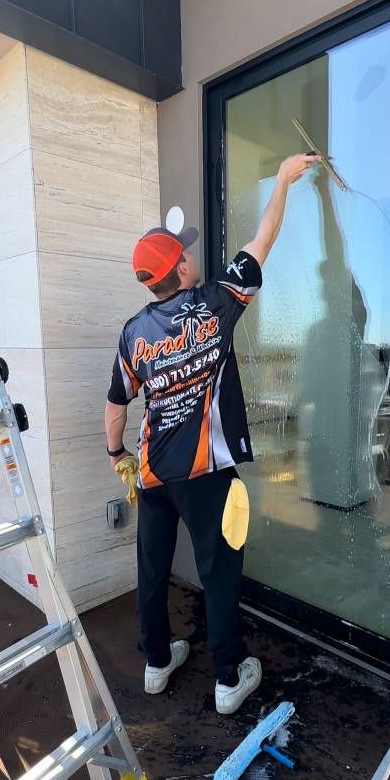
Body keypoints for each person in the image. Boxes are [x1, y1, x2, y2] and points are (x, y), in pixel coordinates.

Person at [105, 153, 314, 715]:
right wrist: (285, 181)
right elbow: (263, 240)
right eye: (185, 253)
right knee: (218, 572)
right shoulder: (215, 305)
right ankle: (228, 679)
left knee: (150, 571)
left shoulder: (133, 333)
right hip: (207, 475)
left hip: (151, 475)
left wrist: (116, 455)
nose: (192, 254)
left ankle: (156, 662)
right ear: (179, 270)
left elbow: (116, 406)